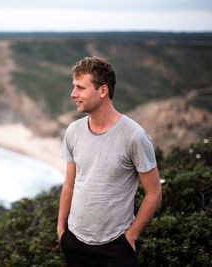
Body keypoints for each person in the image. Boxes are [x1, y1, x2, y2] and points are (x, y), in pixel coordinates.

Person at [57, 56, 162, 266]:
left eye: (80, 88)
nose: (73, 94)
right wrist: (61, 231)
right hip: (75, 242)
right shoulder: (73, 131)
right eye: (73, 87)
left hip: (115, 247)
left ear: (103, 91)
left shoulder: (134, 136)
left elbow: (154, 192)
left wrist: (131, 236)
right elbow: (69, 183)